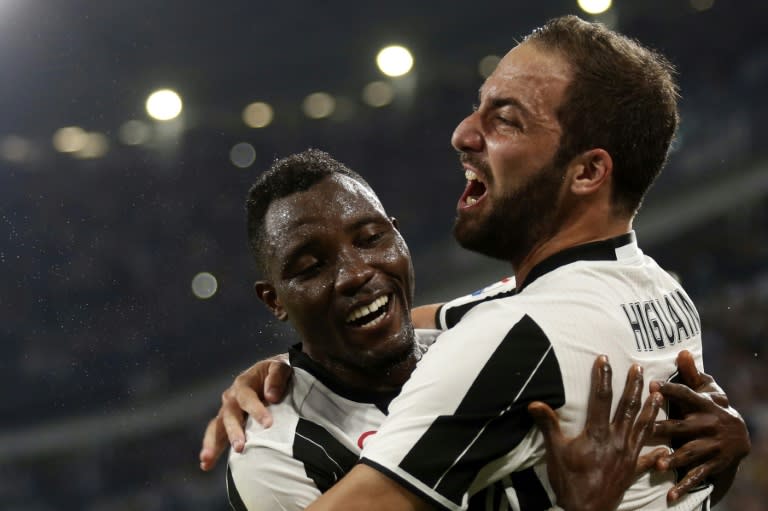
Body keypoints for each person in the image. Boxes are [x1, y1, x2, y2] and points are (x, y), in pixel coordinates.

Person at [206, 15, 752, 510]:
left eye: (506, 119)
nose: (463, 134)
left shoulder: (512, 338)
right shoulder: (662, 292)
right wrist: (289, 356)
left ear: (587, 173)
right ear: (273, 298)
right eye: (310, 267)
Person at [224, 148, 665, 511]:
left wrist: (712, 442)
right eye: (312, 266)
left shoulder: (495, 341)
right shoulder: (274, 455)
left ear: (398, 238)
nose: (356, 274)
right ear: (274, 300)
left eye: (370, 238)